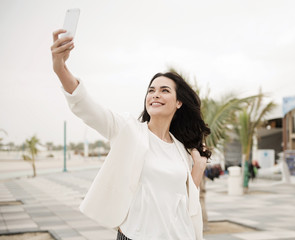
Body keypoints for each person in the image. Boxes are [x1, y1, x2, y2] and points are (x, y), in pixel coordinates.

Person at [51, 29, 211, 240]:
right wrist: (60, 68)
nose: (155, 94)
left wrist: (198, 167)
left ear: (179, 102)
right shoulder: (129, 131)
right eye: (151, 90)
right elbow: (88, 109)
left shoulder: (181, 150)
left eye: (165, 90)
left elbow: (184, 201)